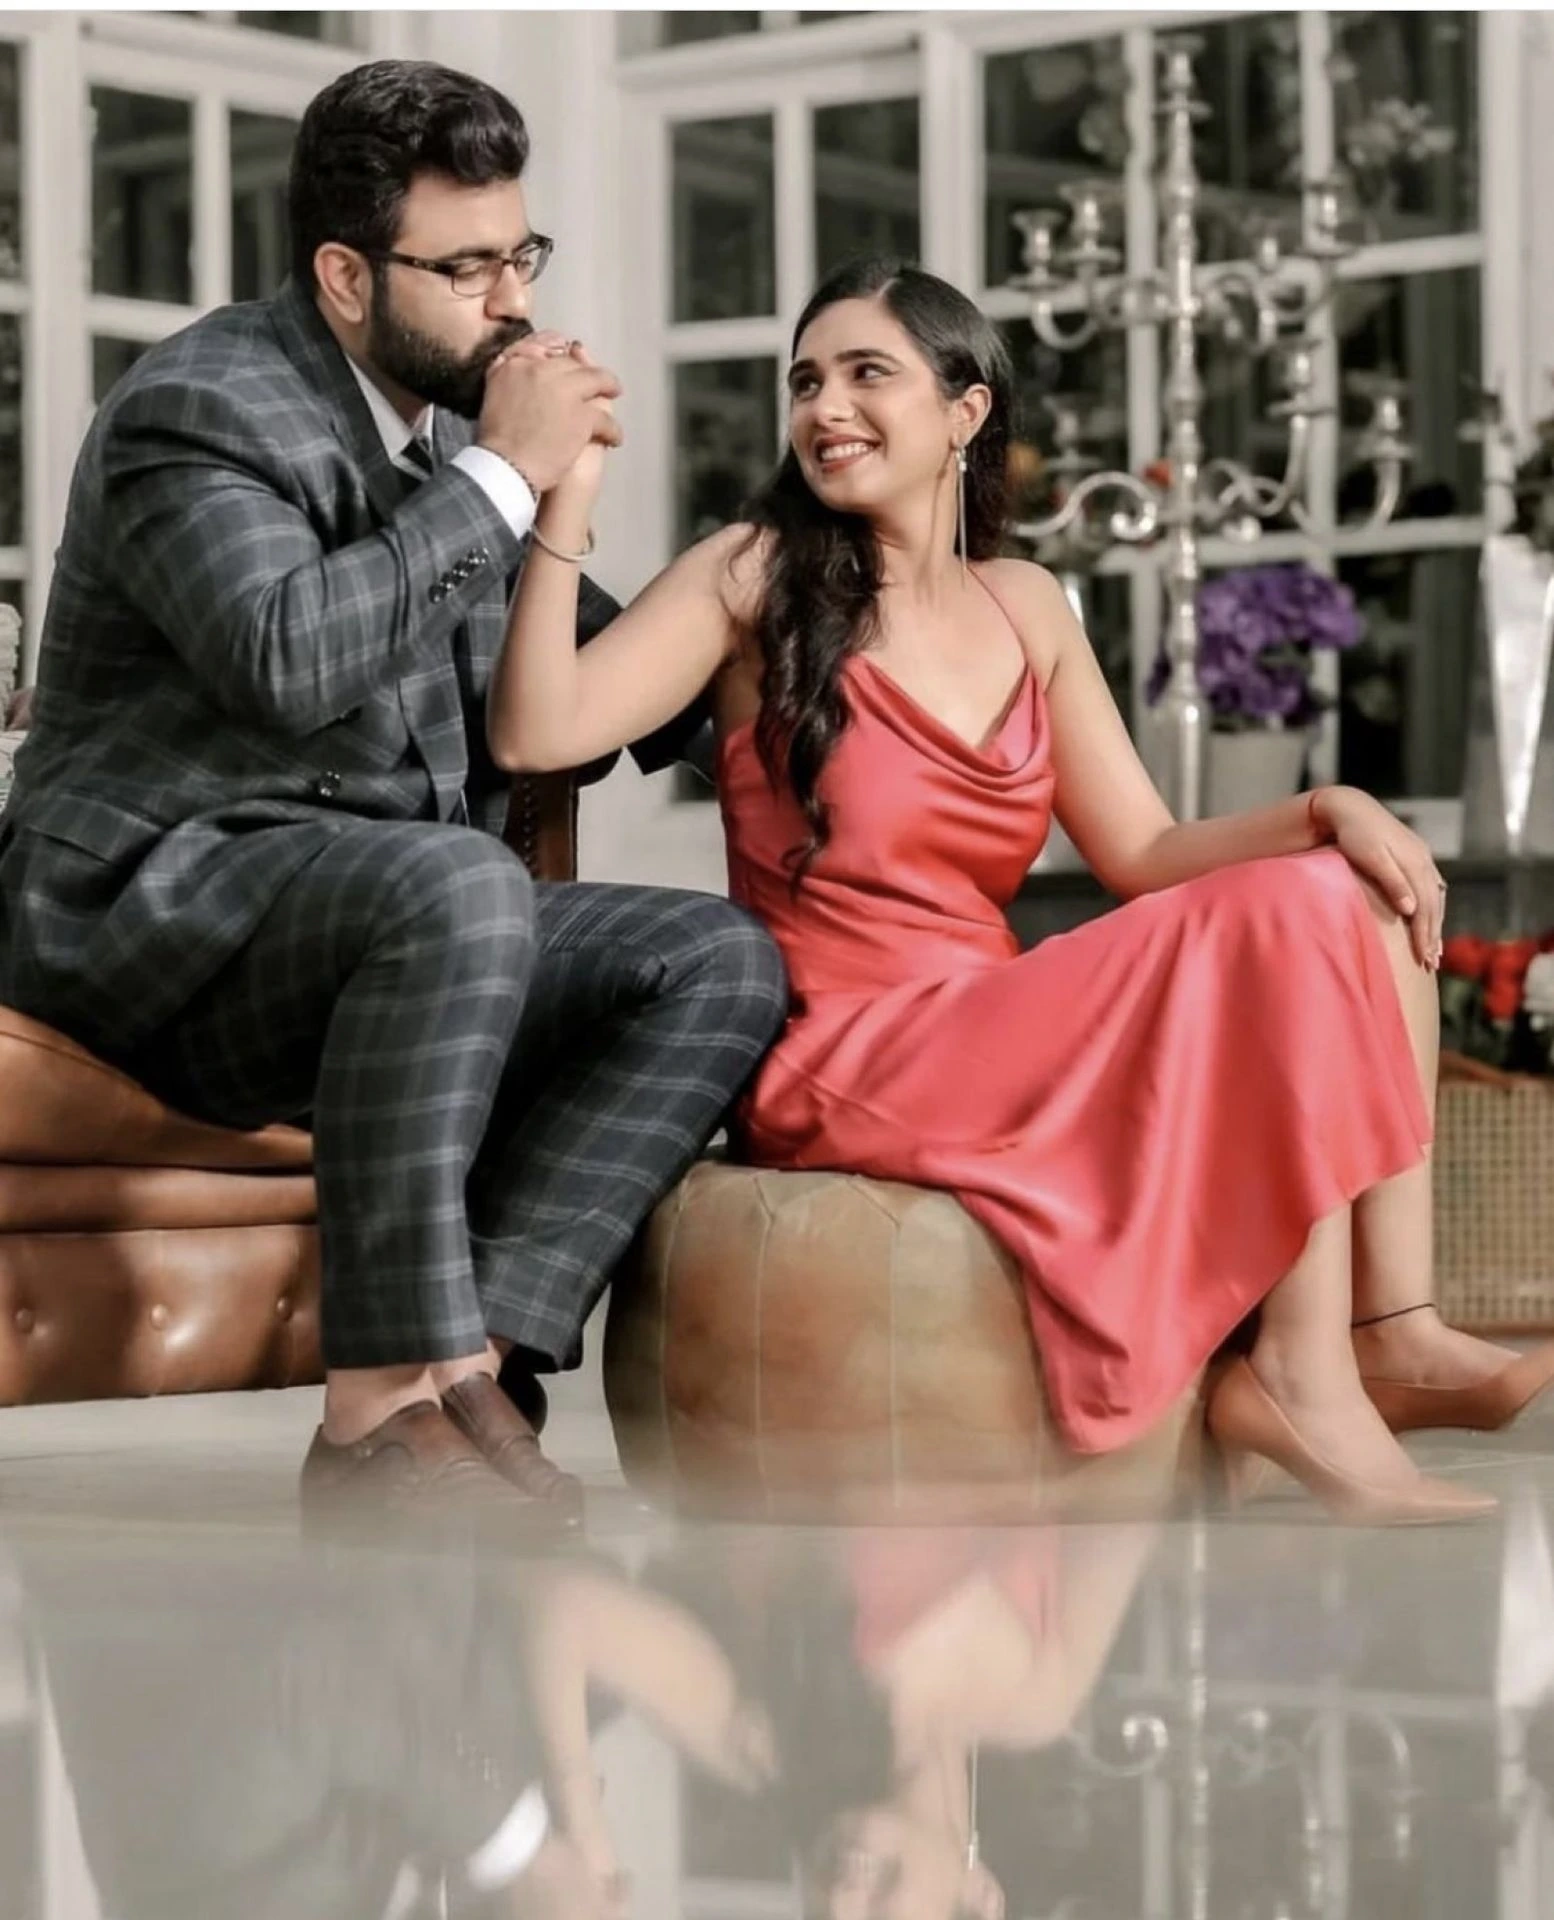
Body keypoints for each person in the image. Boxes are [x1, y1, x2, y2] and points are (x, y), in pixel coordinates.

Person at [487, 253, 1554, 1526]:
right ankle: (1303, 1370)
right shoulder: (752, 573)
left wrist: (1330, 807)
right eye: (807, 382)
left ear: (965, 411)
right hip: (846, 1045)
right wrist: (561, 505)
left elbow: (1142, 851)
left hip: (990, 1014)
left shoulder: (1027, 604)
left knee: (1351, 890)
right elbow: (536, 732)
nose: (827, 407)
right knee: (1300, 908)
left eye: (867, 374)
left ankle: (1390, 1325)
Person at [0, 60, 787, 1525]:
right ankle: (373, 1418)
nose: (513, 302)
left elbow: (611, 671)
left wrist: (830, 744)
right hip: (153, 921)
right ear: (347, 276)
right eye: (469, 267)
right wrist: (505, 479)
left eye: (521, 254)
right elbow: (288, 660)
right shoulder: (200, 407)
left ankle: (470, 1369)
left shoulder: (443, 434)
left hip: (397, 939)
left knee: (710, 958)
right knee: (454, 877)